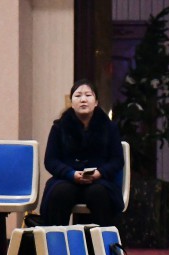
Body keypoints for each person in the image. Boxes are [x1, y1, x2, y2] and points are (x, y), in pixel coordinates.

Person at [41, 79, 125, 228]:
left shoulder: (109, 128)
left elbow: (117, 160)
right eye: (78, 95)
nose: (83, 99)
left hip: (100, 180)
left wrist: (100, 173)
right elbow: (51, 160)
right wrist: (70, 174)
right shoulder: (59, 127)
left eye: (88, 95)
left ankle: (104, 247)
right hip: (67, 179)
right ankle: (54, 246)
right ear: (71, 102)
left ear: (96, 101)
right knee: (60, 193)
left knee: (98, 194)